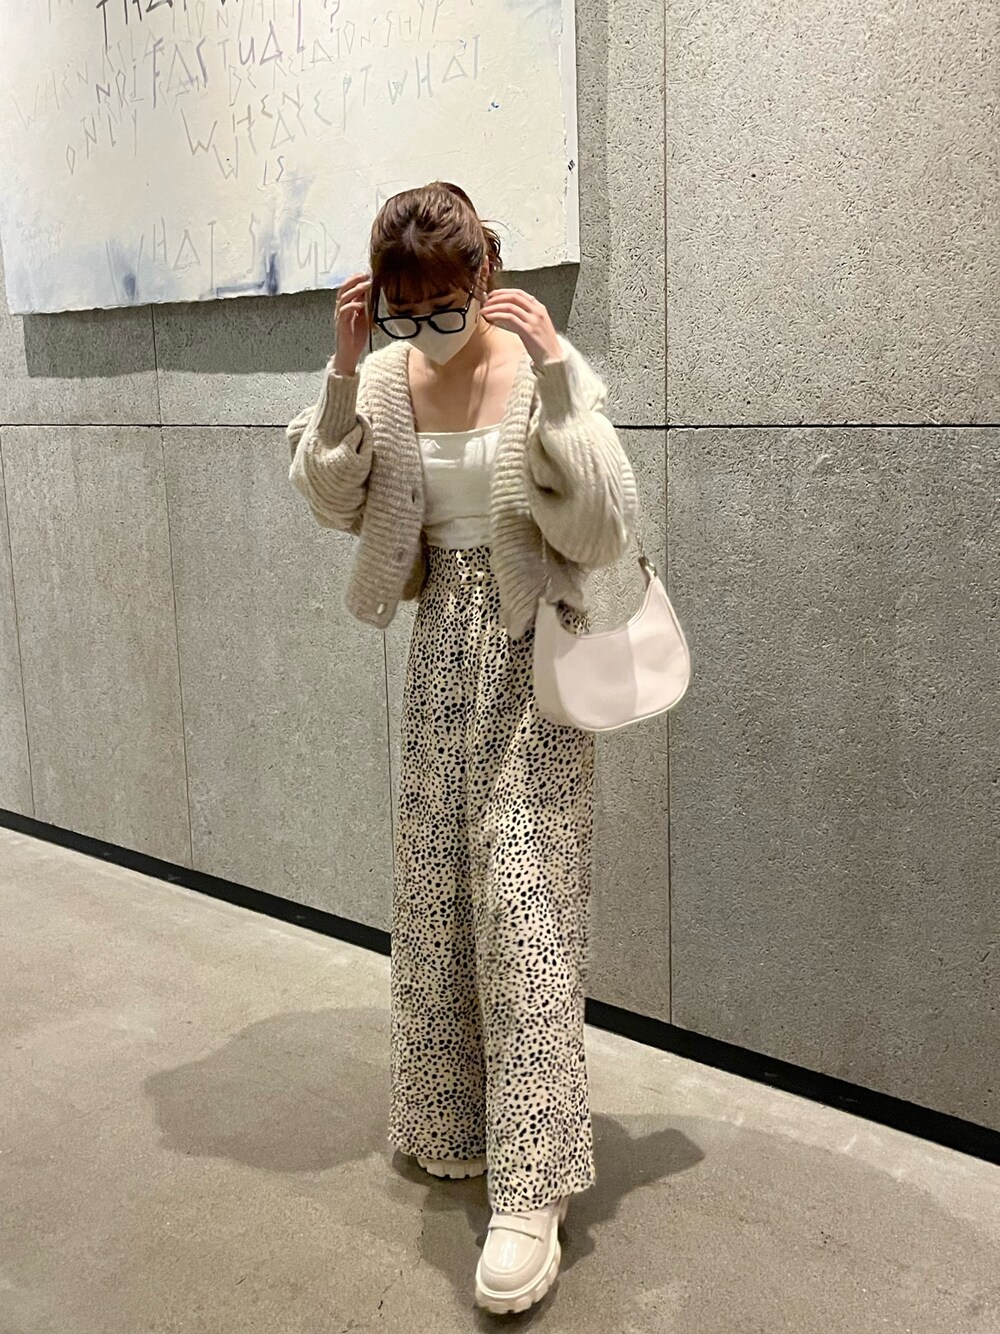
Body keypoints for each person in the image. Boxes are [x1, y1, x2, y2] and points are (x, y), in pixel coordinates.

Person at [286, 181, 637, 1314]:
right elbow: (333, 498)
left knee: (526, 909)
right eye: (408, 310)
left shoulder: (539, 367)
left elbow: (601, 525)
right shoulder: (385, 378)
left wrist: (559, 379)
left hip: (535, 661)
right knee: (437, 898)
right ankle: (450, 1119)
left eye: (447, 305)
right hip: (440, 655)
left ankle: (533, 1189)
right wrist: (343, 371)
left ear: (487, 275)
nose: (430, 327)